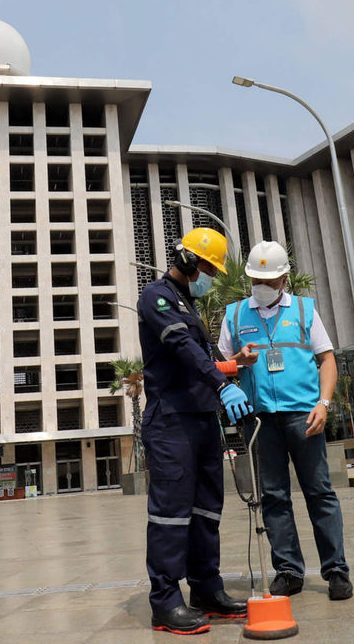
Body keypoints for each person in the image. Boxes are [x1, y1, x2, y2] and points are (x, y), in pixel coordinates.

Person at [218, 240, 353, 601]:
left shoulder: (306, 311)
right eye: (256, 279)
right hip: (259, 421)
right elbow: (220, 368)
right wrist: (236, 363)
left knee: (319, 491)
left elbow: (327, 360)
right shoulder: (234, 315)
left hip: (304, 415)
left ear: (284, 279)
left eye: (270, 280)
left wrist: (324, 404)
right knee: (274, 496)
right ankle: (289, 571)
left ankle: (336, 570)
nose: (262, 286)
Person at [137, 227, 252, 635]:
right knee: (170, 515)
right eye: (207, 267)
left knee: (207, 510)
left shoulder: (187, 304)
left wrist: (232, 366)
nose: (211, 276)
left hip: (202, 420)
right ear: (187, 261)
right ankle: (165, 602)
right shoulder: (157, 297)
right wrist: (222, 385)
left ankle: (206, 588)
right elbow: (182, 349)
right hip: (171, 422)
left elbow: (205, 358)